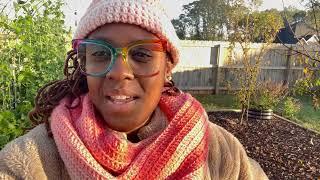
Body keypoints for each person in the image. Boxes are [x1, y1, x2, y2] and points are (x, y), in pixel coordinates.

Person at [0, 0, 268, 179]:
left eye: (141, 54)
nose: (118, 71)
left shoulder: (222, 154)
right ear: (84, 63)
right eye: (101, 54)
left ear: (167, 68)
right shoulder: (30, 160)